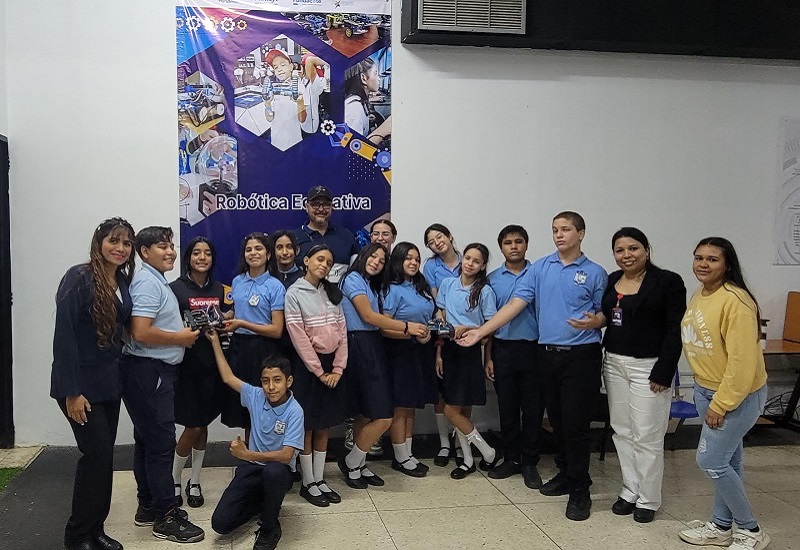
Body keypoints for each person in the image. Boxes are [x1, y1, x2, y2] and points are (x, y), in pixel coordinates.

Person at [459, 212, 607, 521]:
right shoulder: (540, 268)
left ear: (581, 233)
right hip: (547, 355)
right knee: (557, 420)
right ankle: (566, 473)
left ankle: (580, 489)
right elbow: (515, 305)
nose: (559, 234)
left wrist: (598, 321)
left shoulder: (595, 272)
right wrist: (482, 332)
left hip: (582, 355)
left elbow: (603, 312)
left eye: (566, 229)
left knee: (576, 424)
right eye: (555, 230)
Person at [677, 237, 770, 550]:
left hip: (734, 396)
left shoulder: (736, 301)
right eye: (698, 257)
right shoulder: (701, 293)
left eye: (712, 259)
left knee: (710, 461)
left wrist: (722, 403)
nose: (703, 264)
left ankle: (751, 530)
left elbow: (743, 363)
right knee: (728, 461)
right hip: (706, 389)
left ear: (727, 264)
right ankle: (721, 526)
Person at [51, 217, 135, 550]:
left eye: (126, 243)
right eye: (114, 240)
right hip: (80, 387)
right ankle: (77, 535)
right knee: (95, 456)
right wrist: (72, 392)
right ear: (99, 243)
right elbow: (65, 338)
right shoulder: (79, 277)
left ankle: (95, 530)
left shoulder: (122, 280)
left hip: (108, 384)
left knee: (104, 459)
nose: (120, 248)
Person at [122, 226, 204, 543]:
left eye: (171, 245)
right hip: (149, 370)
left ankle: (148, 507)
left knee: (147, 442)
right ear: (144, 252)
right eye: (162, 246)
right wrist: (180, 338)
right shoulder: (147, 282)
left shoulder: (155, 280)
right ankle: (166, 517)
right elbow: (140, 332)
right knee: (160, 446)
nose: (170, 251)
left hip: (150, 371)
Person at [601, 227, 686, 523]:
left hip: (649, 368)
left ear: (647, 250)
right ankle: (630, 490)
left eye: (633, 248)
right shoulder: (613, 280)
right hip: (614, 363)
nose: (627, 255)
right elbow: (609, 317)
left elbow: (675, 330)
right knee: (622, 430)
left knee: (647, 435)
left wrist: (664, 370)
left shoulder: (668, 282)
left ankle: (649, 498)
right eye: (620, 250)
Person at [337, 243, 429, 489]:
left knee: (365, 412)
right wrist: (407, 327)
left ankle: (358, 464)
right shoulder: (352, 279)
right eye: (373, 256)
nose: (376, 262)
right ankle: (351, 461)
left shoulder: (370, 283)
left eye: (381, 260)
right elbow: (368, 316)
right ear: (362, 256)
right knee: (383, 414)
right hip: (358, 344)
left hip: (372, 345)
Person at [207, 332, 304, 550]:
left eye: (277, 380)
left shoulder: (295, 411)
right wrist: (214, 342)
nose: (271, 387)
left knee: (273, 472)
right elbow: (228, 377)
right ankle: (263, 502)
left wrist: (247, 454)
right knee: (221, 523)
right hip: (252, 469)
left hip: (278, 471)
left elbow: (286, 456)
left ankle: (270, 527)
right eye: (266, 381)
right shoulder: (255, 395)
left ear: (288, 381)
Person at [284, 245, 348, 507]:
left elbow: (342, 332)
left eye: (329, 262)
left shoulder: (331, 292)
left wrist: (338, 369)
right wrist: (320, 372)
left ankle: (320, 479)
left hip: (332, 367)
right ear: (307, 260)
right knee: (308, 426)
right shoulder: (294, 293)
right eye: (320, 259)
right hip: (308, 367)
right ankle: (308, 482)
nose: (324, 265)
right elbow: (298, 336)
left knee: (324, 425)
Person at [169, 237, 230, 509]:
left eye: (207, 253)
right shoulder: (175, 289)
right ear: (188, 258)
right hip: (186, 368)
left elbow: (225, 322)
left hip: (212, 367)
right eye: (196, 253)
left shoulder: (220, 289)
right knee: (192, 426)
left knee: (203, 424)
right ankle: (173, 479)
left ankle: (194, 480)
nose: (202, 257)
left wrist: (226, 320)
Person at [484, 225, 543, 489]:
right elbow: (489, 322)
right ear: (501, 248)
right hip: (503, 349)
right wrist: (488, 357)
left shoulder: (539, 274)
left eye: (519, 241)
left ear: (526, 245)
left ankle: (530, 462)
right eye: (508, 243)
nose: (514, 246)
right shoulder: (492, 280)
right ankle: (511, 458)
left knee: (533, 408)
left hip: (534, 349)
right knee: (507, 408)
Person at [435, 243, 499, 479]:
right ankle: (470, 459)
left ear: (482, 266)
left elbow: (490, 328)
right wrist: (439, 352)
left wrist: (468, 329)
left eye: (476, 261)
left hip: (470, 351)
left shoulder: (485, 292)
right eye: (468, 258)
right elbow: (441, 317)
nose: (470, 263)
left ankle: (486, 451)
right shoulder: (447, 284)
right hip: (448, 349)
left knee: (456, 410)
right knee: (454, 408)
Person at [381, 242, 437, 477]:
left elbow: (429, 316)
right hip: (399, 352)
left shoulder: (420, 286)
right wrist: (410, 333)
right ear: (398, 260)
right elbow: (384, 327)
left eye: (416, 259)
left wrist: (429, 331)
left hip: (421, 350)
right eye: (408, 258)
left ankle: (409, 453)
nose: (413, 262)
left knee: (412, 404)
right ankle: (400, 456)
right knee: (400, 406)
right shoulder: (391, 289)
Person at [222, 232, 286, 434]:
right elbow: (236, 311)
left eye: (258, 248)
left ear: (268, 254)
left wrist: (243, 323)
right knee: (243, 406)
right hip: (238, 349)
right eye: (248, 249)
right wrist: (223, 317)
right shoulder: (237, 281)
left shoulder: (275, 286)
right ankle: (249, 450)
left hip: (264, 349)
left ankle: (263, 450)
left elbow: (277, 330)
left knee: (264, 402)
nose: (253, 253)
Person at [421, 223, 463, 467]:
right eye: (431, 242)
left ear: (449, 236)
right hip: (442, 331)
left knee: (462, 391)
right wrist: (444, 319)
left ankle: (461, 443)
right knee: (441, 389)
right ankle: (445, 443)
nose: (437, 243)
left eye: (439, 237)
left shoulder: (467, 259)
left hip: (467, 333)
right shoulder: (431, 266)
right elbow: (436, 299)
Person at [293, 185, 360, 283]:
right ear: (307, 207)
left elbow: (357, 274)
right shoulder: (294, 238)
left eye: (326, 205)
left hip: (338, 292)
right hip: (303, 292)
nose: (321, 209)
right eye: (315, 204)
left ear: (331, 207)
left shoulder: (347, 236)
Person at [262, 49, 306, 151]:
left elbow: (302, 119)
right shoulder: (272, 89)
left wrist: (300, 103)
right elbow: (269, 118)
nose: (279, 69)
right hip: (276, 141)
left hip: (295, 140)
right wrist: (267, 105)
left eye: (283, 65)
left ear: (291, 67)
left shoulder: (300, 87)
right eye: (276, 67)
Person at [344, 57, 391, 146]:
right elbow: (354, 149)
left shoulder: (358, 102)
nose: (379, 79)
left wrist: (366, 120)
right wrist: (383, 130)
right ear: (363, 78)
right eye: (375, 73)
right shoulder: (354, 108)